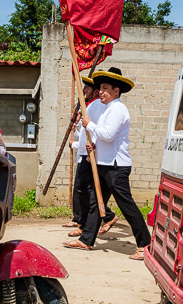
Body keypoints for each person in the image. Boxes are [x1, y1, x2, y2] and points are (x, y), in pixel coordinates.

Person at [64, 67, 151, 260]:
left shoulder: (118, 109)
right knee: (96, 203)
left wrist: (89, 125)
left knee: (126, 205)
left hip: (116, 166)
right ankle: (87, 239)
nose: (100, 92)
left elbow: (109, 135)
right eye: (100, 88)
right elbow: (100, 137)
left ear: (116, 91)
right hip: (103, 163)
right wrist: (92, 145)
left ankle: (145, 244)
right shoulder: (105, 109)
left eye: (105, 88)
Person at [64, 76, 117, 237]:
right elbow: (83, 132)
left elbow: (96, 131)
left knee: (86, 190)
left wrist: (87, 148)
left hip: (90, 154)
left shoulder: (97, 106)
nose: (85, 91)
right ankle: (85, 223)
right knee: (83, 190)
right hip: (85, 153)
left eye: (87, 89)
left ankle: (101, 218)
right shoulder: (90, 106)